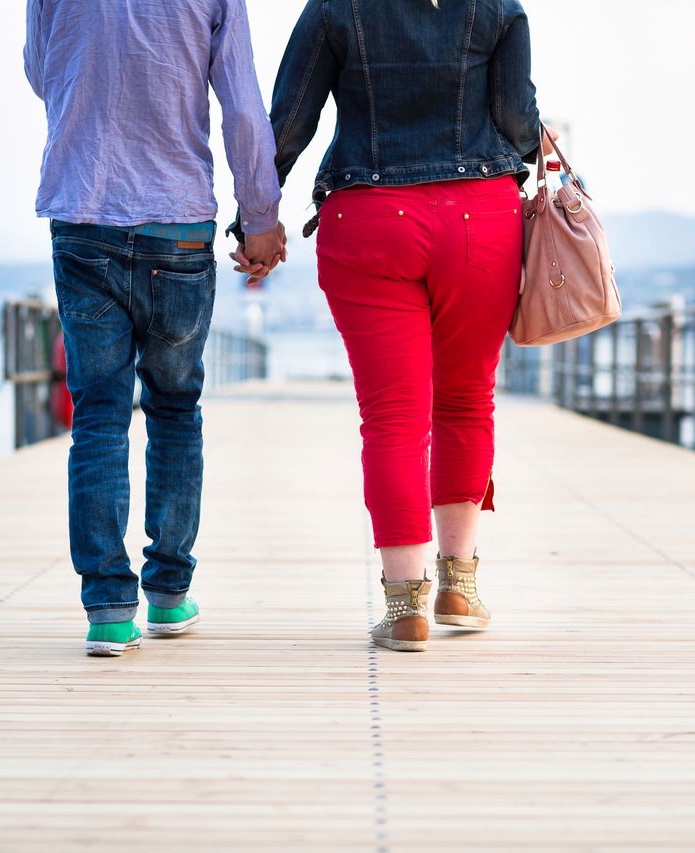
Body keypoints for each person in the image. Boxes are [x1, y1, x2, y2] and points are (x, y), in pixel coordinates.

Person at [261, 0, 546, 652]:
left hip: (368, 219)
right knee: (467, 400)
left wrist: (256, 216)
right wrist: (546, 158)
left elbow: (288, 122)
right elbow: (513, 117)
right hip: (480, 219)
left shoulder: (335, 6)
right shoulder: (498, 6)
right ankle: (460, 587)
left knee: (393, 419)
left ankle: (404, 606)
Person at [25, 0, 286, 656]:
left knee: (99, 417)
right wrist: (260, 216)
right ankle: (168, 592)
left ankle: (109, 608)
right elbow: (243, 104)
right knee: (173, 409)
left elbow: (40, 67)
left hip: (83, 214)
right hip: (179, 224)